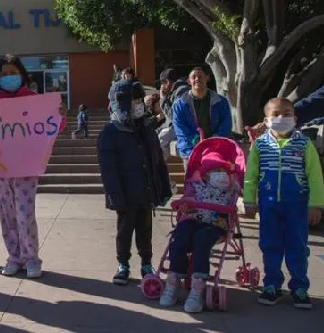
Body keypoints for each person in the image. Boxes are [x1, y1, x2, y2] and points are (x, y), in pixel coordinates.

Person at [0, 55, 66, 279]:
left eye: (13, 72)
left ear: (22, 74)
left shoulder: (33, 99)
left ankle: (31, 259)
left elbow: (51, 126)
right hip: (1, 170)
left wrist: (60, 116)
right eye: (5, 73)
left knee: (24, 214)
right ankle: (14, 257)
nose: (9, 77)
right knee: (7, 215)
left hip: (26, 169)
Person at [243, 98, 324, 309]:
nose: (282, 118)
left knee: (297, 245)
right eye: (276, 114)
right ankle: (271, 285)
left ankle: (299, 287)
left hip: (296, 205)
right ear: (266, 120)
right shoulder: (260, 145)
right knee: (270, 245)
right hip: (269, 206)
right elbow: (251, 175)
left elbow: (315, 176)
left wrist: (316, 204)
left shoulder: (304, 144)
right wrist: (249, 200)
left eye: (287, 114)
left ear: (295, 118)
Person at [98, 80, 172, 285]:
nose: (138, 104)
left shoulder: (146, 130)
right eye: (133, 101)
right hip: (125, 194)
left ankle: (146, 263)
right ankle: (123, 265)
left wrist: (163, 187)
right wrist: (115, 195)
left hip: (146, 192)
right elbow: (108, 170)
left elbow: (158, 162)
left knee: (145, 230)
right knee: (125, 230)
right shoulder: (110, 133)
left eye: (140, 100)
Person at [159, 152, 240, 313]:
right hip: (193, 219)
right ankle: (174, 280)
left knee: (201, 239)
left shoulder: (230, 190)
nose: (220, 175)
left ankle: (197, 287)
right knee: (180, 235)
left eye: (222, 171)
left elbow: (232, 207)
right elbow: (186, 201)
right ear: (206, 175)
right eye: (215, 171)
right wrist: (184, 205)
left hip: (215, 224)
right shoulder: (195, 187)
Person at [172, 67, 232, 166]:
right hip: (190, 149)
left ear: (207, 78)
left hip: (216, 148)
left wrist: (214, 140)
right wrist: (194, 140)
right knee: (193, 180)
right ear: (189, 81)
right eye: (193, 77)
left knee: (217, 179)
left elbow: (226, 123)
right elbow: (180, 128)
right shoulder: (180, 104)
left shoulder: (221, 102)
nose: (197, 79)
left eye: (200, 76)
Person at [158, 68, 190, 156]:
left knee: (161, 139)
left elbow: (175, 117)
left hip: (185, 128)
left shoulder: (181, 91)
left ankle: (160, 168)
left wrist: (163, 100)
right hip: (179, 127)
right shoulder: (176, 91)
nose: (161, 87)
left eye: (162, 83)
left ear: (167, 82)